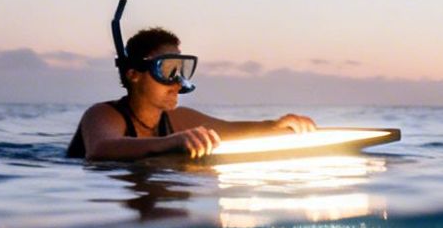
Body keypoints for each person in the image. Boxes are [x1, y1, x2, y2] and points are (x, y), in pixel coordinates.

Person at [66, 21, 316, 161]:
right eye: (168, 70)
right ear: (134, 75)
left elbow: (229, 130)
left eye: (182, 70)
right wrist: (172, 142)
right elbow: (101, 149)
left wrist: (277, 125)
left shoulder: (178, 120)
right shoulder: (103, 115)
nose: (178, 82)